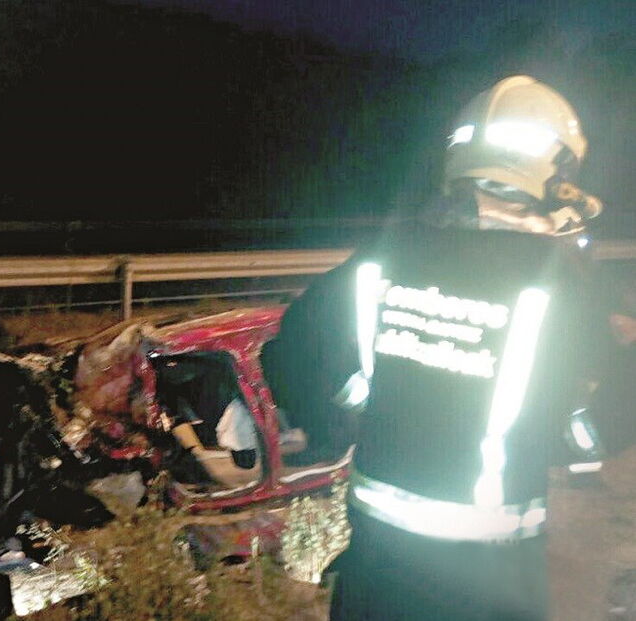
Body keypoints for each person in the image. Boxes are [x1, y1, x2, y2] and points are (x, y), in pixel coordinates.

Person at [262, 75, 635, 620]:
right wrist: (569, 439)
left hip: (376, 565)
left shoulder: (388, 254)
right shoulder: (564, 282)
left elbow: (290, 351)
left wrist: (343, 414)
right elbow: (615, 399)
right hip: (489, 580)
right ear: (555, 171)